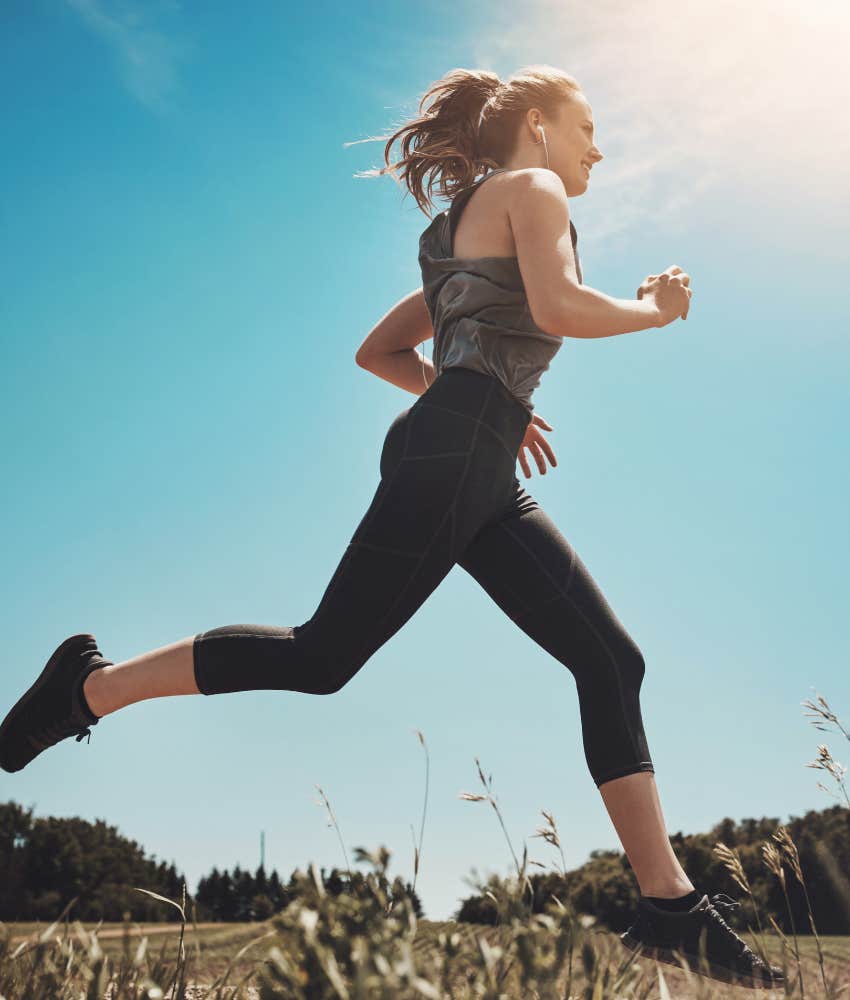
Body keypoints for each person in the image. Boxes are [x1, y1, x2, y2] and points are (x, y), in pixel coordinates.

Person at [0, 64, 781, 990]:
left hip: (471, 454)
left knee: (611, 661)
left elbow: (383, 351)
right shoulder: (531, 188)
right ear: (536, 127)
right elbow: (560, 306)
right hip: (456, 450)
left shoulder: (453, 231)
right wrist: (659, 310)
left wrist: (484, 396)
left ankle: (670, 908)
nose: (596, 149)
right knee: (322, 656)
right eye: (586, 129)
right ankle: (90, 687)